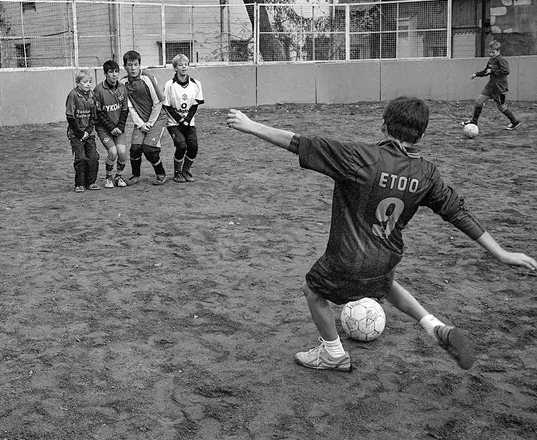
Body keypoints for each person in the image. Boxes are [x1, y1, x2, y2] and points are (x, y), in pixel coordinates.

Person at [227, 97, 537, 372]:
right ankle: (434, 326)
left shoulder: (360, 157)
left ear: (383, 125)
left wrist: (251, 124)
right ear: (421, 134)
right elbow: (457, 213)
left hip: (347, 257)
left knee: (313, 292)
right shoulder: (427, 173)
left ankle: (333, 353)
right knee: (385, 283)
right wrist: (501, 253)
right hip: (386, 256)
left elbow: (298, 142)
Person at [120, 50, 169, 186]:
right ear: (125, 66)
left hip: (157, 118)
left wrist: (150, 123)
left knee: (149, 149)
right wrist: (141, 124)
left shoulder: (148, 78)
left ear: (140, 65)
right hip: (141, 121)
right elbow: (130, 106)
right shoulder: (123, 83)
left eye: (136, 64)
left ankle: (161, 174)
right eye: (130, 65)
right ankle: (135, 176)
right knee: (135, 149)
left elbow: (157, 102)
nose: (133, 68)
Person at [462, 40, 522, 130]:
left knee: (501, 107)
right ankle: (474, 121)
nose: (490, 54)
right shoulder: (491, 60)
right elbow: (486, 71)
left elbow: (506, 71)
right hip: (491, 86)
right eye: (489, 52)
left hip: (500, 88)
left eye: (493, 52)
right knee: (479, 102)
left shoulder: (501, 60)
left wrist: (492, 71)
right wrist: (476, 74)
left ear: (499, 51)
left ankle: (514, 122)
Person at [162, 54, 203, 183]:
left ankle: (186, 170)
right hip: (174, 122)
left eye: (185, 64)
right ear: (175, 68)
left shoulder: (196, 84)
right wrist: (180, 120)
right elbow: (167, 107)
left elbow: (195, 105)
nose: (184, 67)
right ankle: (177, 172)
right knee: (181, 145)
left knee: (193, 147)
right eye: (180, 65)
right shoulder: (169, 85)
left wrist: (187, 119)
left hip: (189, 122)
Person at [93, 60, 129, 189]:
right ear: (105, 73)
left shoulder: (122, 88)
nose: (114, 75)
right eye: (110, 72)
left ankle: (118, 176)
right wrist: (111, 128)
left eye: (116, 71)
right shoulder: (98, 90)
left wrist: (119, 127)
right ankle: (108, 178)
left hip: (119, 128)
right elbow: (99, 113)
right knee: (113, 152)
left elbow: (125, 110)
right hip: (105, 129)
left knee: (122, 152)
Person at [66, 70, 100, 193]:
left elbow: (94, 117)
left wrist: (88, 131)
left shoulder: (92, 96)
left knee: (93, 157)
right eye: (85, 82)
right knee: (81, 158)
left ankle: (91, 182)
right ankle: (79, 183)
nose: (88, 84)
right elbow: (70, 116)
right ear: (78, 83)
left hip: (88, 133)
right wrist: (80, 133)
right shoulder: (73, 95)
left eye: (90, 82)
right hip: (76, 134)